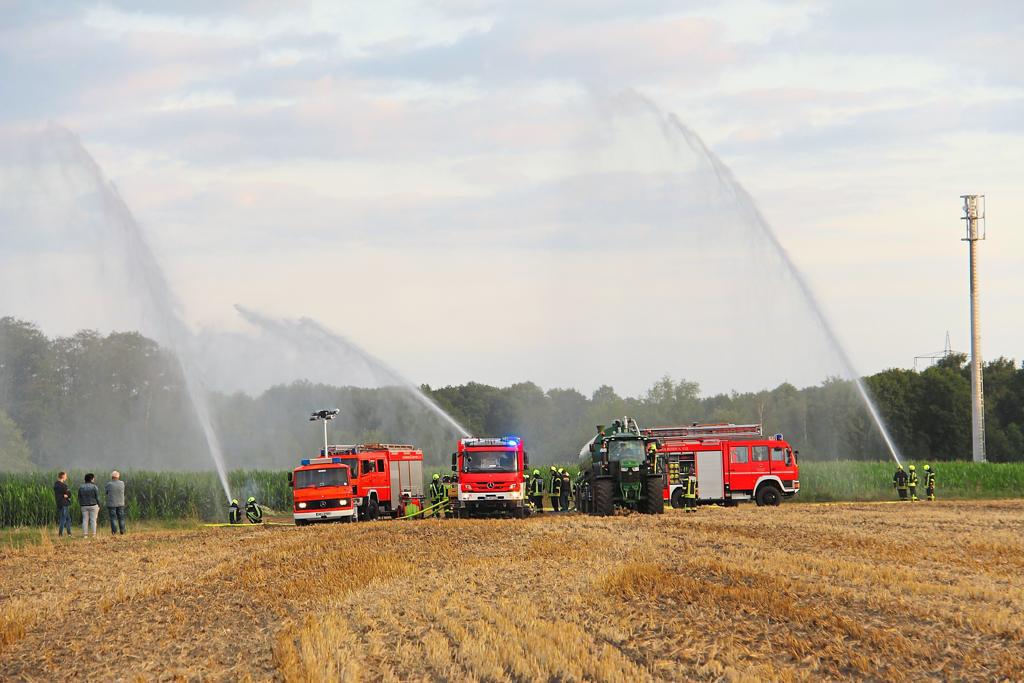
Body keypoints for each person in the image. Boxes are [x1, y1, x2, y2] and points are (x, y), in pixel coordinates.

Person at [78, 473, 100, 537]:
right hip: (93, 505)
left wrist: (81, 504)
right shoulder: (94, 487)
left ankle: (85, 535)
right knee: (93, 520)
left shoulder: (81, 487)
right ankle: (93, 534)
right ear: (91, 479)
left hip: (84, 505)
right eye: (93, 478)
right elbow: (97, 497)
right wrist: (99, 504)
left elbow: (79, 497)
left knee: (85, 520)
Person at [105, 470, 126, 535]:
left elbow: (106, 492)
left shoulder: (109, 484)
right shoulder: (122, 483)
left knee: (113, 518)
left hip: (112, 503)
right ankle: (122, 531)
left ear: (112, 477)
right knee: (121, 518)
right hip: (120, 503)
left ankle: (114, 532)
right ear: (118, 477)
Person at [53, 471, 72, 537]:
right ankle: (60, 534)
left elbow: (67, 494)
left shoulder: (56, 484)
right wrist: (67, 494)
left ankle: (69, 533)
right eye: (66, 476)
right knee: (63, 519)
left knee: (68, 519)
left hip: (59, 503)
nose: (66, 477)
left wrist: (66, 494)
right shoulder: (63, 485)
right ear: (63, 476)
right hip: (64, 504)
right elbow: (69, 494)